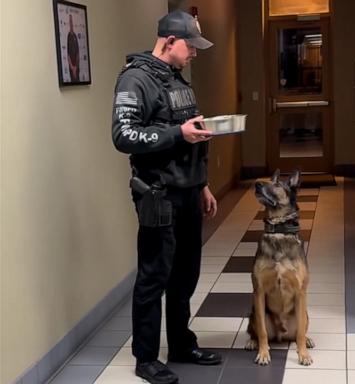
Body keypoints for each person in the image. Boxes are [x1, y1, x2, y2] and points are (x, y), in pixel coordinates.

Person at [111, 10, 221, 384]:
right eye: (191, 46)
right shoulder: (135, 79)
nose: (195, 53)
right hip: (158, 196)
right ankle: (145, 358)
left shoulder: (177, 80)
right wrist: (178, 134)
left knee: (185, 275)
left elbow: (191, 135)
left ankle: (181, 344)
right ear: (170, 41)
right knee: (154, 277)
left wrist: (202, 183)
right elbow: (123, 136)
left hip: (188, 193)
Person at [67, 14, 79, 82]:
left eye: (72, 22)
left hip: (76, 66)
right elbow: (68, 54)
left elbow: (78, 53)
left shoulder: (75, 36)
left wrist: (76, 67)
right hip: (71, 67)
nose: (71, 24)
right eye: (70, 21)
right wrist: (72, 67)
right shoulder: (68, 36)